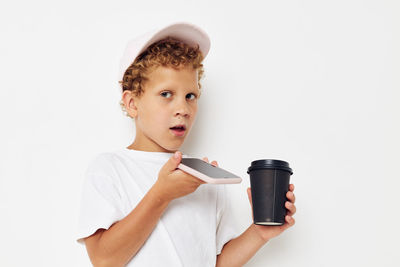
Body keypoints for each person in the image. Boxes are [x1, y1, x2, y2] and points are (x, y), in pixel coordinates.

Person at [75, 21, 296, 267]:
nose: (183, 109)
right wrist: (162, 194)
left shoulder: (203, 177)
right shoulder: (110, 169)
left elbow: (216, 263)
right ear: (132, 103)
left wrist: (259, 233)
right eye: (166, 94)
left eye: (190, 96)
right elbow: (104, 260)